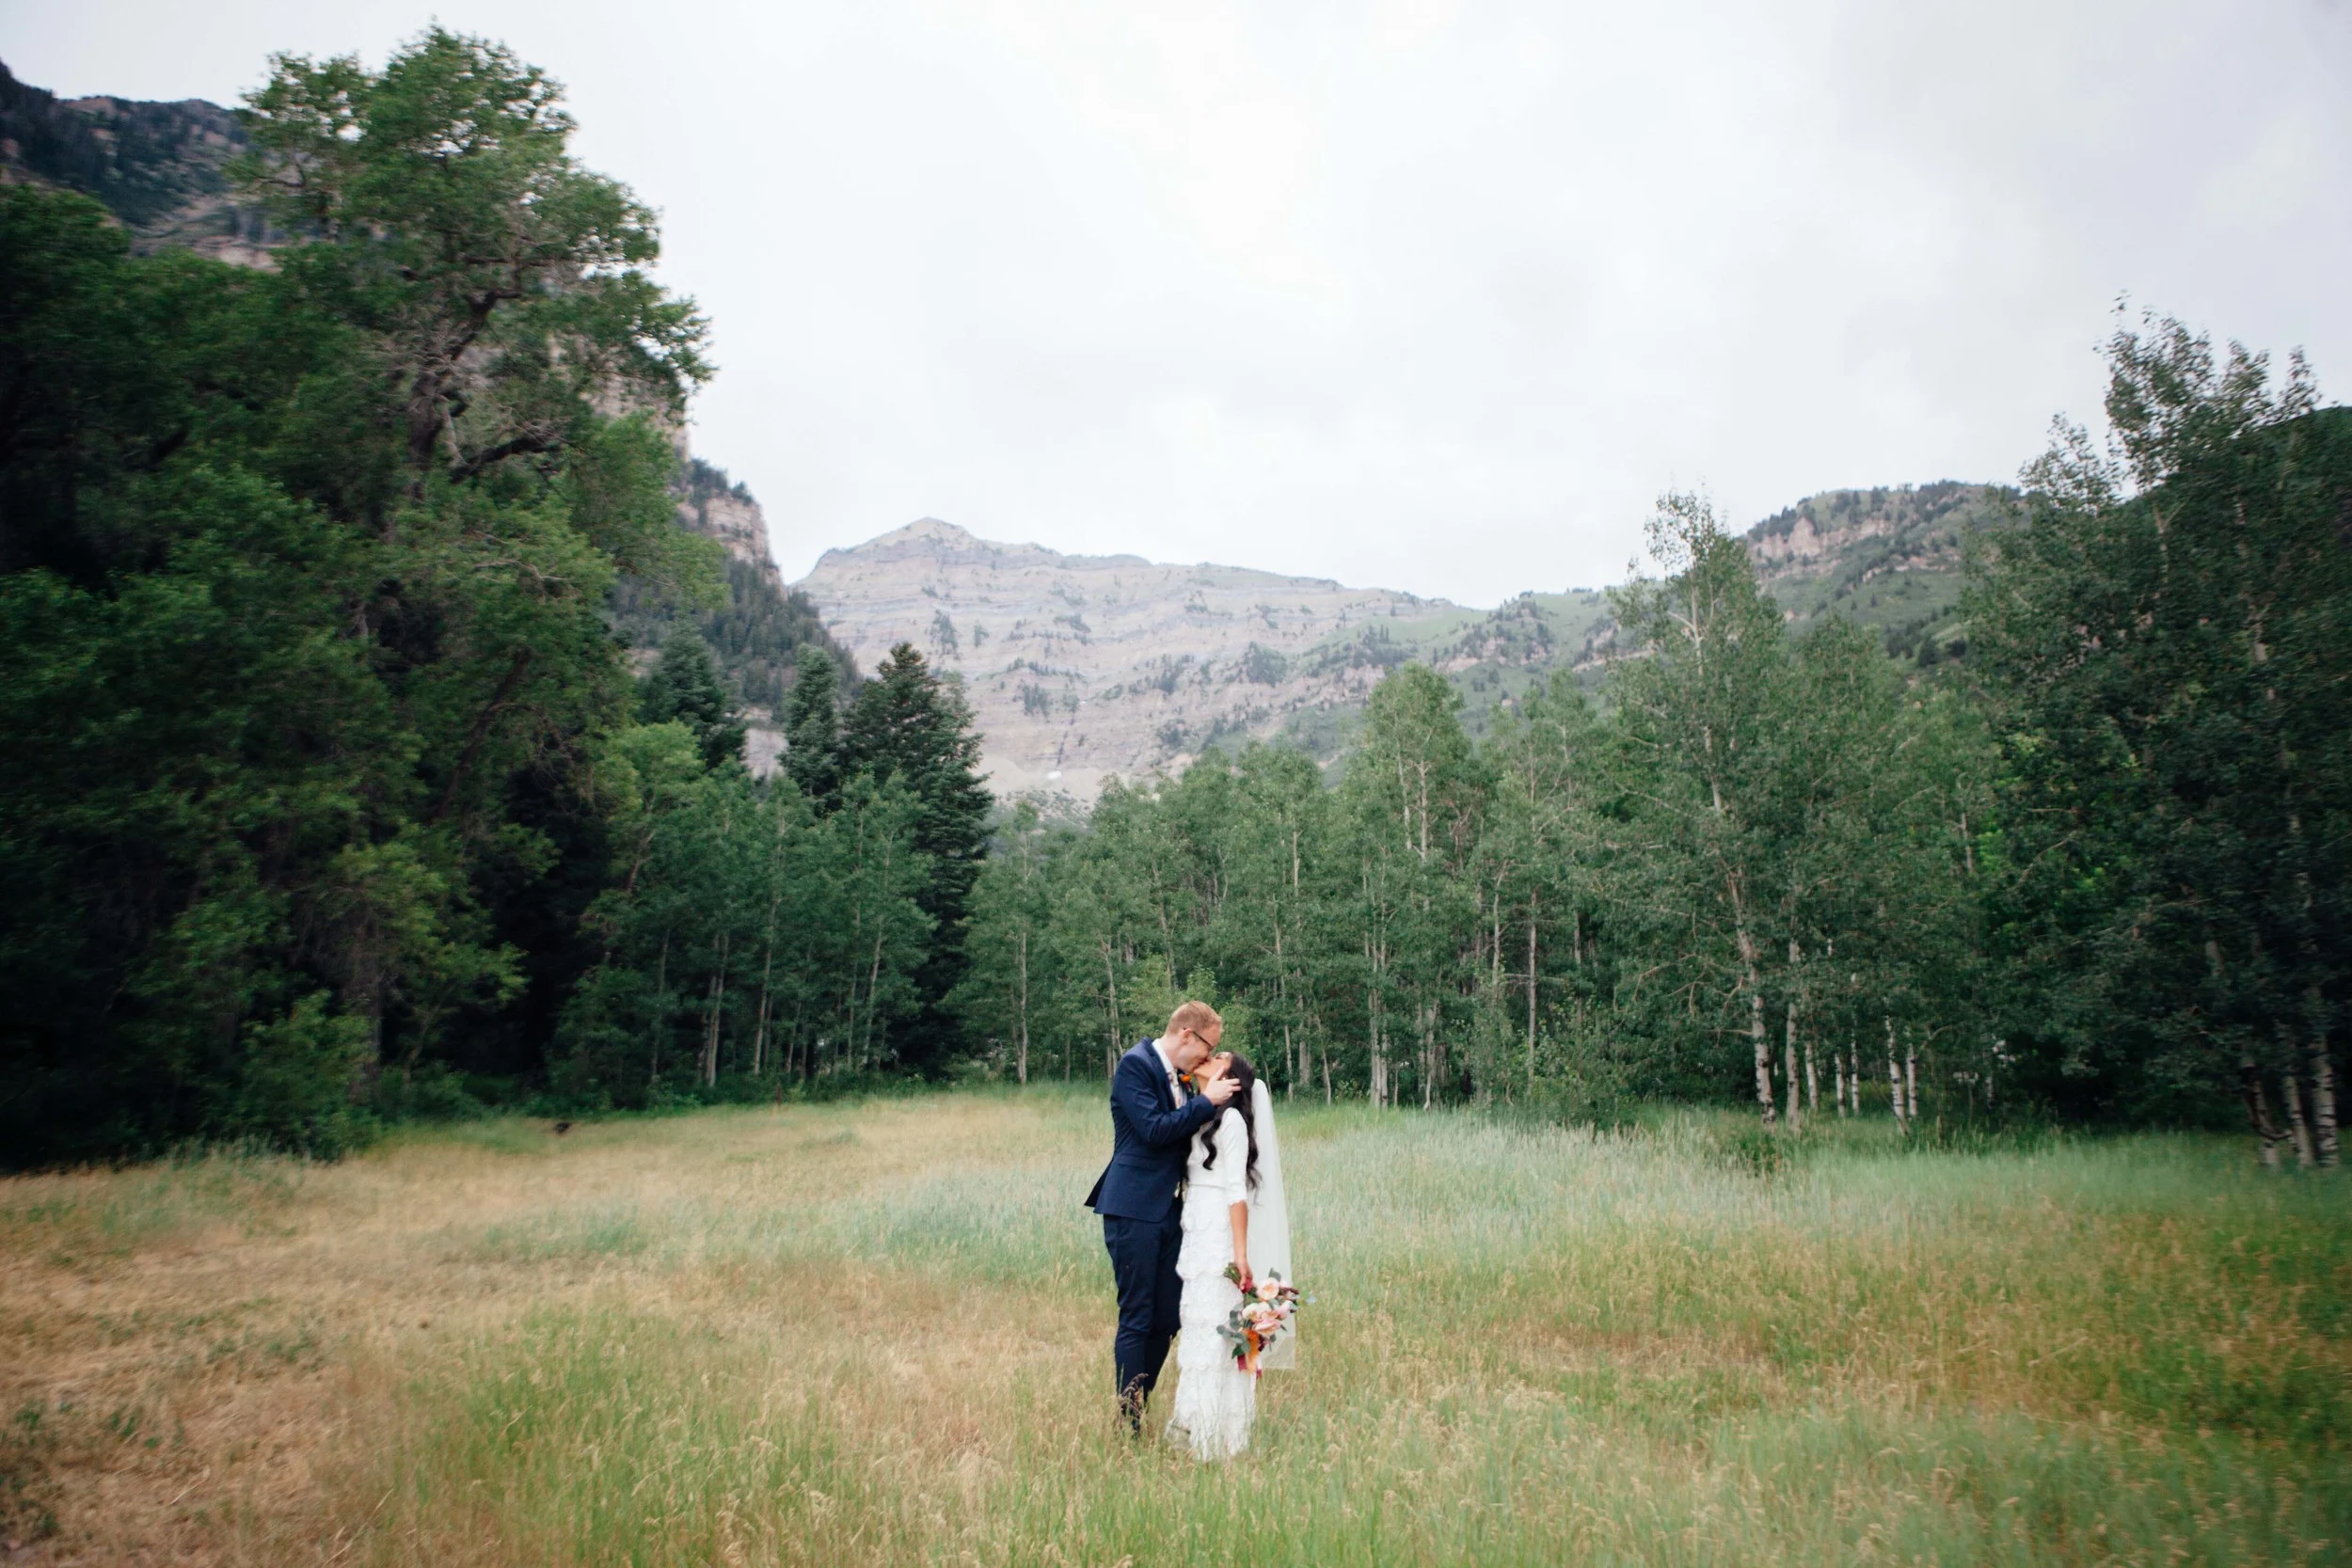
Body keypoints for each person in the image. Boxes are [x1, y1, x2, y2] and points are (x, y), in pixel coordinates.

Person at [1084, 1001, 1239, 1435]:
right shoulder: (1135, 1065)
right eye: (1208, 1047)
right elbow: (1153, 1130)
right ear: (1187, 1034)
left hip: (1170, 1210)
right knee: (1137, 1315)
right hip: (1132, 1207)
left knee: (1169, 1316)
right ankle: (1130, 1422)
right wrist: (1206, 1102)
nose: (1208, 1057)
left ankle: (1137, 1402)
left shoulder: (1183, 1078)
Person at [1165, 1049, 1294, 1461]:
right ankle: (1193, 1426)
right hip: (1196, 1229)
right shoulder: (1202, 1114)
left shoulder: (1233, 1120)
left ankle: (1218, 1438)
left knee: (1216, 1332)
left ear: (1233, 1079)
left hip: (1220, 1234)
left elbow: (1237, 1191)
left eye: (1219, 1055)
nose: (1208, 1056)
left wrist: (1240, 1254)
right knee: (1198, 1327)